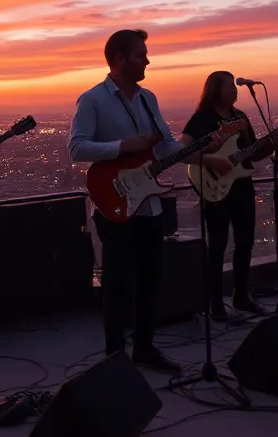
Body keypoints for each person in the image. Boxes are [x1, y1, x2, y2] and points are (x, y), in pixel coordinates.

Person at [69, 29, 223, 373]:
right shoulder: (92, 99)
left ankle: (144, 348)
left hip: (149, 204)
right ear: (119, 58)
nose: (147, 60)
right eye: (141, 54)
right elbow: (77, 148)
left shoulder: (148, 98)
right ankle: (114, 356)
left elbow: (165, 145)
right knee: (118, 283)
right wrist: (123, 146)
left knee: (150, 279)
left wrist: (198, 148)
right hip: (115, 204)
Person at [180, 71, 278, 320]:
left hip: (243, 186)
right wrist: (211, 161)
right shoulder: (202, 118)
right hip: (216, 189)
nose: (235, 90)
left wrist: (271, 145)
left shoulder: (241, 117)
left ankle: (241, 295)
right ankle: (214, 303)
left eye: (235, 87)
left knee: (245, 242)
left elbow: (251, 153)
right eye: (229, 87)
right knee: (218, 245)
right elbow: (183, 149)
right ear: (215, 90)